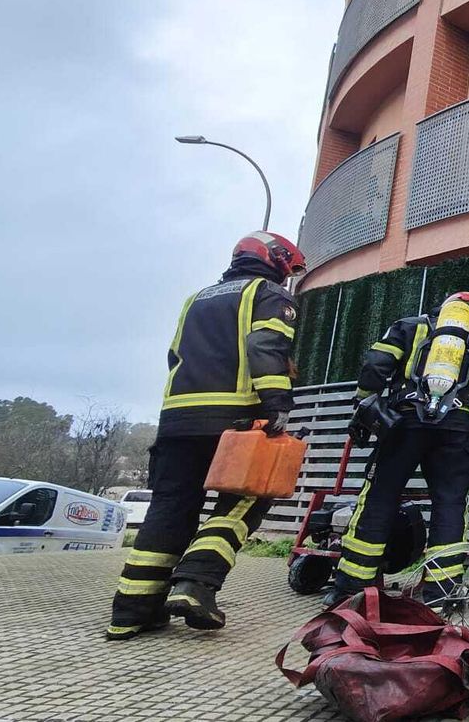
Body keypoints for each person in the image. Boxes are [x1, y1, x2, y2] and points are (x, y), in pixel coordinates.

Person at [106, 232, 304, 640]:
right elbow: (266, 345)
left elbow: (174, 355)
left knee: (171, 508)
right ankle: (196, 584)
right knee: (247, 497)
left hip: (177, 420)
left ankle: (131, 610)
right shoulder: (266, 294)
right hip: (234, 417)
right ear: (277, 261)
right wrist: (277, 401)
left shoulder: (197, 298)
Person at [322, 291, 469, 608]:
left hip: (403, 424)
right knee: (450, 506)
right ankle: (443, 594)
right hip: (457, 432)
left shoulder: (409, 327)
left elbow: (375, 365)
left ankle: (351, 590)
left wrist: (363, 404)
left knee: (379, 499)